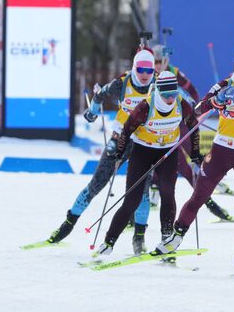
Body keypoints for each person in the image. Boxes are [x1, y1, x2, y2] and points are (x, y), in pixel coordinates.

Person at [153, 48, 234, 274]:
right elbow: (200, 108)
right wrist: (217, 101)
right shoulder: (224, 84)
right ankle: (175, 238)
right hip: (222, 149)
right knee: (199, 195)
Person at [47, 49, 156, 253]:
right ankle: (68, 223)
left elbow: (176, 101)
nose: (144, 74)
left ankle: (139, 237)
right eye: (140, 69)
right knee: (97, 183)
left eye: (148, 70)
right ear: (134, 67)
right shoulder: (123, 82)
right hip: (120, 138)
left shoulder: (157, 84)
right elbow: (99, 95)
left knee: (143, 189)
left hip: (144, 141)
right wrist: (92, 112)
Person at [94, 71, 201, 256]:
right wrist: (119, 153)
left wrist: (197, 154)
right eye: (166, 94)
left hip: (167, 153)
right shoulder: (145, 106)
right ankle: (108, 242)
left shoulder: (180, 105)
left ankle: (166, 239)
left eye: (173, 94)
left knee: (168, 192)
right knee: (132, 200)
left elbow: (193, 127)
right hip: (143, 151)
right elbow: (126, 130)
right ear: (158, 91)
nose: (169, 98)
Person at [150, 45, 231, 221]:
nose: (157, 66)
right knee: (175, 167)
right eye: (154, 62)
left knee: (194, 159)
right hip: (159, 128)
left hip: (180, 124)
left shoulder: (174, 72)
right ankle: (153, 195)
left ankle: (215, 186)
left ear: (166, 60)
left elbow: (193, 91)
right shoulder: (147, 74)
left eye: (159, 62)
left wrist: (193, 111)